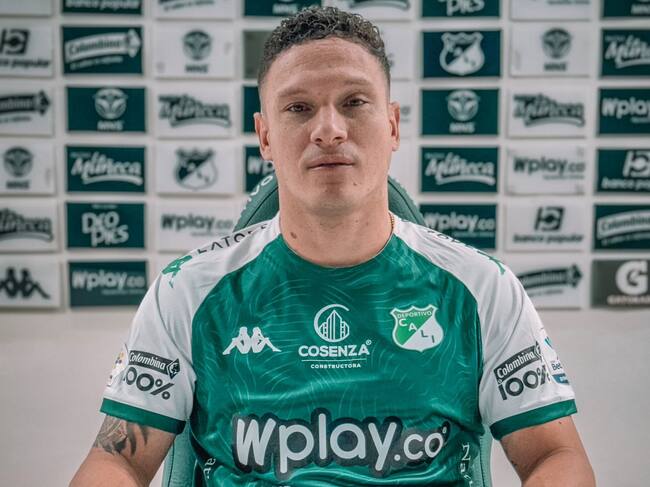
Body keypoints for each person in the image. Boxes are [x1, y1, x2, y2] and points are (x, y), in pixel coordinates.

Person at [71, 6, 594, 486]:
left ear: (392, 125)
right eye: (299, 107)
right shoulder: (187, 291)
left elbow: (554, 455)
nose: (328, 130)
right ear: (265, 136)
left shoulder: (482, 289)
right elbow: (118, 459)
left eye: (354, 102)